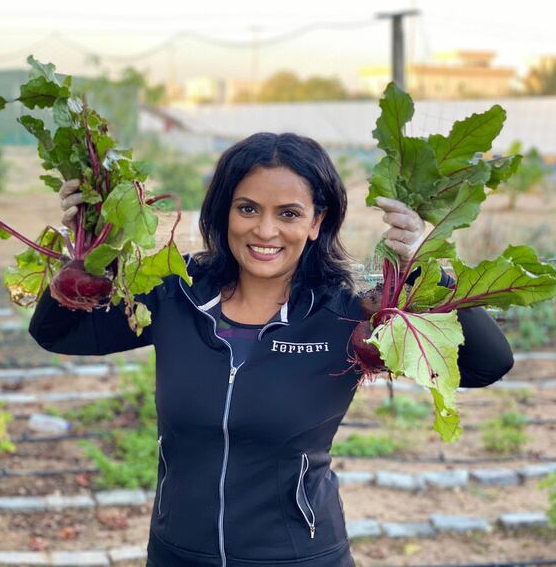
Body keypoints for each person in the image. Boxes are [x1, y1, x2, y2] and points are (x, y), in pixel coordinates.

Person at [29, 132, 514, 567]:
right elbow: (61, 334)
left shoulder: (349, 314)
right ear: (224, 212)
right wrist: (92, 253)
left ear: (316, 222)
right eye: (248, 209)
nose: (264, 231)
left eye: (288, 214)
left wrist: (432, 267)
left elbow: (487, 364)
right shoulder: (176, 292)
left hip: (299, 557)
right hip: (177, 553)